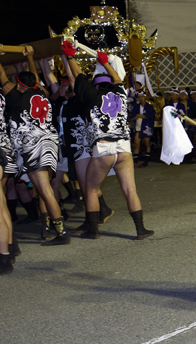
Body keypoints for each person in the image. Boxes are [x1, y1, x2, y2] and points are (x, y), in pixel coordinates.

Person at [62, 42, 153, 240]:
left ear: (94, 85)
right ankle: (141, 230)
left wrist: (70, 57)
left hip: (104, 149)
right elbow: (118, 79)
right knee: (130, 190)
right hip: (124, 149)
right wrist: (105, 62)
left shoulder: (92, 95)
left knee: (91, 189)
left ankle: (94, 231)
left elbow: (77, 77)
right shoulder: (120, 93)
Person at [0, 45, 70, 245]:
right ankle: (47, 227)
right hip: (50, 143)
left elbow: (2, 77)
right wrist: (30, 56)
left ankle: (61, 233)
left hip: (33, 147)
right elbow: (34, 78)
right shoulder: (41, 92)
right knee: (43, 189)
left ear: (18, 84)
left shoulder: (16, 95)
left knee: (45, 191)